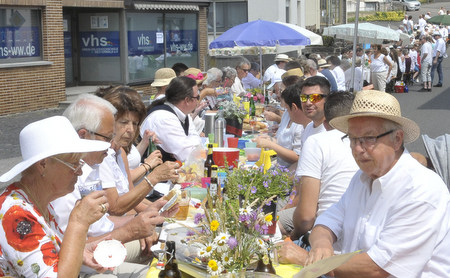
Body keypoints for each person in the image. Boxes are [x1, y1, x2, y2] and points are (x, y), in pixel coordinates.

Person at [305, 90, 450, 277]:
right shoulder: (363, 177)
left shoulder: (420, 189)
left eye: (369, 138)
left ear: (397, 139)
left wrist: (307, 261)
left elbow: (377, 268)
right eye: (352, 139)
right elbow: (328, 219)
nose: (358, 149)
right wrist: (321, 245)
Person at [51, 94, 177, 277]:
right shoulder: (64, 181)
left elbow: (103, 221)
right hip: (90, 266)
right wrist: (131, 229)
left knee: (171, 254)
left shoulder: (90, 166)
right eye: (108, 137)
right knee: (168, 256)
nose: (112, 144)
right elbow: (74, 250)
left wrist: (148, 217)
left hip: (100, 255)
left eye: (135, 124)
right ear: (83, 135)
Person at [0, 116, 111, 277]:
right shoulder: (15, 214)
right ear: (43, 165)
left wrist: (80, 251)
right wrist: (79, 222)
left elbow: (48, 253)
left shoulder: (36, 201)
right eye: (74, 164)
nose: (80, 171)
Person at [277, 92, 359, 265]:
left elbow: (306, 216)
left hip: (332, 257)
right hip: (335, 246)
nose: (357, 148)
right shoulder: (384, 165)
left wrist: (295, 239)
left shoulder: (319, 141)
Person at [99, 87, 179, 216]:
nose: (130, 129)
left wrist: (161, 211)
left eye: (135, 124)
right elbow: (115, 208)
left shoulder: (120, 153)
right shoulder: (101, 156)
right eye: (124, 122)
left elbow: (132, 199)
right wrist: (154, 176)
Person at [142, 76, 202, 162]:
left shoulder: (183, 113)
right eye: (197, 97)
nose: (198, 101)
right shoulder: (164, 118)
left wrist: (188, 144)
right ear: (187, 100)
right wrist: (188, 144)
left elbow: (197, 143)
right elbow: (187, 155)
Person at [253, 84, 305, 169]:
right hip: (280, 168)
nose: (285, 111)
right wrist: (269, 140)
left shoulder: (301, 125)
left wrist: (270, 144)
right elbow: (281, 140)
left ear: (294, 107)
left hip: (289, 174)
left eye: (287, 108)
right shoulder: (287, 115)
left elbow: (297, 158)